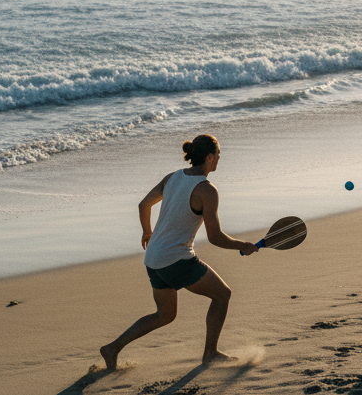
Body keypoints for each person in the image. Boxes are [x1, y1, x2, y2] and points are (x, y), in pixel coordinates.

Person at [101, 135, 259, 369]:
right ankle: (210, 353)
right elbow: (215, 237)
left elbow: (143, 205)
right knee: (222, 295)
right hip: (175, 259)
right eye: (218, 156)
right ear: (208, 157)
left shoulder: (172, 177)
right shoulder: (207, 190)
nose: (218, 160)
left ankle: (112, 348)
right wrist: (242, 245)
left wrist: (148, 232)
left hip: (153, 258)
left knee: (164, 315)